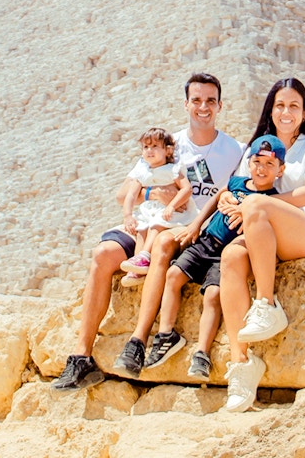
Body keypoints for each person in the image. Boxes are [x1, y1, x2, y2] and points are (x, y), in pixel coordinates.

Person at [52, 74, 243, 392]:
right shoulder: (168, 144)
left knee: (160, 244)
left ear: (220, 105)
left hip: (192, 229)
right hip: (152, 218)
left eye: (210, 100)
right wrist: (157, 194)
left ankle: (138, 341)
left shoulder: (236, 150)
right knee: (103, 254)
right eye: (196, 100)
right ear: (185, 104)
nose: (203, 107)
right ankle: (81, 357)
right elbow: (123, 194)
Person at [112, 135, 285, 381]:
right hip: (206, 240)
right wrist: (196, 224)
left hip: (225, 254)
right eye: (257, 162)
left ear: (280, 170)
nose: (261, 169)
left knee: (213, 294)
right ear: (249, 162)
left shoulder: (272, 201)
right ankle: (165, 335)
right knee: (173, 274)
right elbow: (215, 199)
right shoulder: (236, 182)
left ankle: (202, 353)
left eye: (270, 164)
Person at [217, 77, 305, 412]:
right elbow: (239, 186)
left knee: (257, 205)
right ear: (271, 110)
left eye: (294, 106)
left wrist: (257, 205)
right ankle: (242, 365)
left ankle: (267, 304)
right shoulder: (257, 147)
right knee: (231, 256)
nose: (286, 112)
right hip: (267, 233)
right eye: (280, 105)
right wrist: (228, 198)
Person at [116, 127, 195, 287]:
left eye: (154, 146)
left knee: (155, 225)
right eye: (146, 147)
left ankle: (145, 255)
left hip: (167, 211)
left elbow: (186, 189)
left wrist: (172, 205)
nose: (149, 150)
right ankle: (137, 266)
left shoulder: (172, 169)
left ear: (168, 150)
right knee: (141, 229)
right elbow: (130, 195)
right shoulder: (141, 172)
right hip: (149, 211)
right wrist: (128, 215)